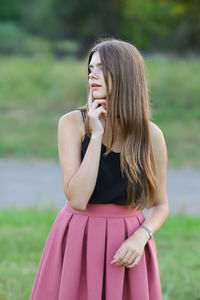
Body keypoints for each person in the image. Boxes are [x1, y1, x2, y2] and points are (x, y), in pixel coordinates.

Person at [30, 37, 169, 300]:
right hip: (78, 239)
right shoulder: (72, 124)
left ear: (125, 74)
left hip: (128, 242)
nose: (93, 75)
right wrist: (95, 136)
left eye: (101, 68)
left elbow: (161, 205)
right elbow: (78, 199)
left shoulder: (151, 135)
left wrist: (141, 237)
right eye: (90, 69)